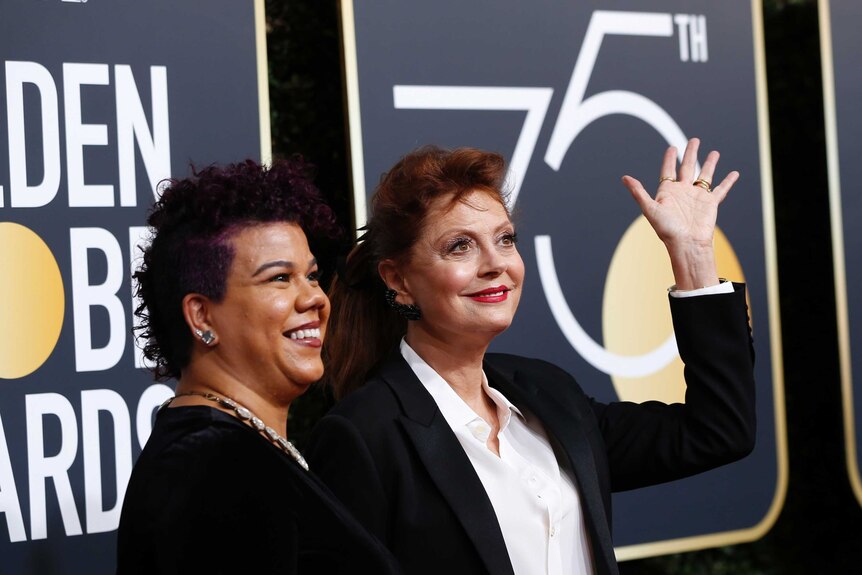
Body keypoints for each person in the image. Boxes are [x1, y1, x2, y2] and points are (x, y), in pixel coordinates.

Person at [305, 139, 756, 575]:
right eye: (460, 246)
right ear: (398, 279)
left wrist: (692, 254)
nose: (495, 263)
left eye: (505, 239)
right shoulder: (364, 435)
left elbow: (718, 431)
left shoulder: (551, 396)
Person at [116, 159, 401, 574]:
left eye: (313, 276)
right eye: (280, 279)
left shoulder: (229, 450)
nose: (315, 300)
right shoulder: (215, 470)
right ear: (202, 316)